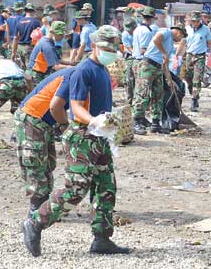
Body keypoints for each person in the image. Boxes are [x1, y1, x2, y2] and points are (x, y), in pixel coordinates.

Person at [21, 25, 131, 257]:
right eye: (106, 48)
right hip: (84, 136)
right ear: (94, 46)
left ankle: (102, 238)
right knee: (76, 189)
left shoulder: (101, 70)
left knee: (106, 187)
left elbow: (58, 102)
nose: (110, 52)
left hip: (98, 137)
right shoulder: (84, 70)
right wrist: (91, 121)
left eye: (113, 48)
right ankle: (35, 222)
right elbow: (76, 107)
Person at [15, 67, 74, 218]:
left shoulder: (77, 75)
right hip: (32, 117)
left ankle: (44, 206)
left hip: (45, 121)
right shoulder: (73, 76)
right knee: (35, 163)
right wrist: (65, 127)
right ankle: (35, 210)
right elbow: (56, 105)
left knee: (48, 163)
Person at [133, 23, 188, 135]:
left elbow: (165, 63)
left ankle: (156, 123)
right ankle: (137, 121)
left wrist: (169, 79)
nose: (180, 39)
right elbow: (156, 39)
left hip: (159, 68)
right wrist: (163, 53)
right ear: (178, 31)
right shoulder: (166, 32)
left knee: (158, 96)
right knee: (142, 93)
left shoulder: (171, 45)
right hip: (148, 64)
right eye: (181, 36)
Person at [131, 7, 158, 132]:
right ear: (151, 18)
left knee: (140, 90)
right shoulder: (146, 32)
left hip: (137, 61)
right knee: (143, 92)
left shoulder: (138, 29)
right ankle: (136, 120)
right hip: (144, 62)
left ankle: (140, 118)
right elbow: (144, 50)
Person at [182, 11, 211, 112]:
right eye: (193, 21)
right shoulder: (187, 29)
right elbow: (183, 43)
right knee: (188, 78)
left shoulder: (205, 29)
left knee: (197, 78)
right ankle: (193, 93)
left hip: (200, 57)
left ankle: (194, 100)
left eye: (196, 21)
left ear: (199, 21)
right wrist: (177, 56)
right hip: (189, 56)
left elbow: (210, 43)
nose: (195, 23)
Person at [26, 21, 70, 86]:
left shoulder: (49, 41)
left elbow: (57, 60)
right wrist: (72, 67)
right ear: (52, 32)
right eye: (59, 34)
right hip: (35, 76)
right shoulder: (47, 45)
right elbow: (56, 66)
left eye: (62, 35)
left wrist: (71, 63)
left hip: (39, 74)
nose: (62, 37)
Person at [11, 3, 42, 70]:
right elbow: (39, 37)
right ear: (33, 11)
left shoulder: (19, 22)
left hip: (20, 48)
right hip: (29, 48)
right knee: (30, 69)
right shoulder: (36, 22)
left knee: (22, 69)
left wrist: (13, 52)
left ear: (25, 11)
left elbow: (16, 38)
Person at [122, 18, 137, 105]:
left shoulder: (139, 32)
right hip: (131, 56)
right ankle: (129, 100)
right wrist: (136, 54)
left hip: (141, 55)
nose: (129, 31)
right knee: (129, 78)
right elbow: (129, 48)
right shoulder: (125, 34)